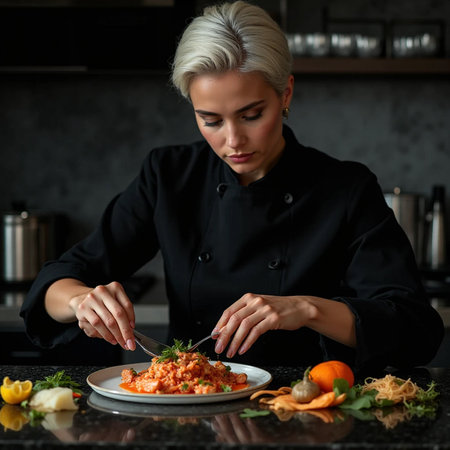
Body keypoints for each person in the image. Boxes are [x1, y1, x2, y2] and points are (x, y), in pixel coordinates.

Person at [20, 1, 443, 373]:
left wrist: (306, 308)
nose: (233, 141)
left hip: (309, 412)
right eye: (211, 120)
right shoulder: (169, 175)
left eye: (252, 114)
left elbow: (414, 327)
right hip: (192, 408)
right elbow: (62, 277)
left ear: (286, 94)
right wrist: (80, 301)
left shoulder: (345, 189)